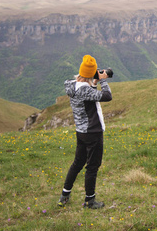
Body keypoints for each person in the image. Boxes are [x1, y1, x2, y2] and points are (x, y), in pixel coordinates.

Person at [57, 54, 112, 209]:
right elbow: (107, 96)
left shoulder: (73, 86)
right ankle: (90, 200)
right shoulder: (85, 91)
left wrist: (94, 82)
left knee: (77, 163)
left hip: (81, 131)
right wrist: (103, 80)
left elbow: (89, 97)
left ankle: (64, 196)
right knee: (92, 166)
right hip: (93, 132)